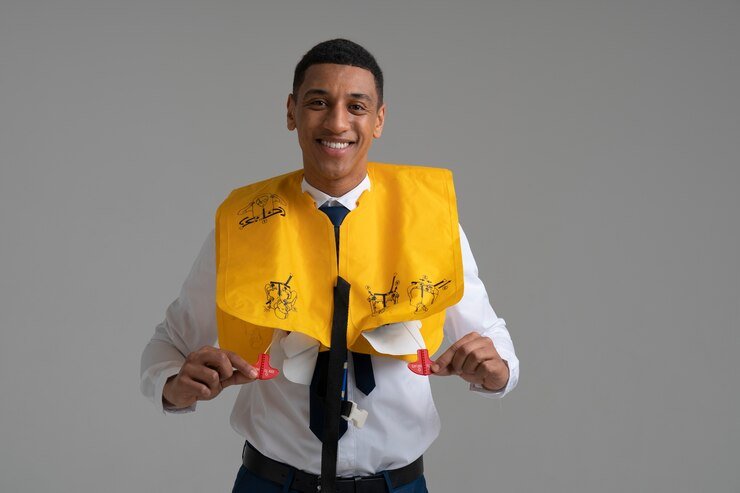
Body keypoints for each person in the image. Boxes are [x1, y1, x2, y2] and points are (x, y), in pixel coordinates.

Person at [140, 38, 519, 493]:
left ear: (378, 120)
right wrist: (174, 387)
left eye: (356, 106)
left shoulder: (429, 221)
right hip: (271, 482)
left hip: (395, 485)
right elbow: (170, 343)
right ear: (291, 112)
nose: (338, 121)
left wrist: (497, 372)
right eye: (318, 102)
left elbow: (492, 339)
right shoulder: (244, 223)